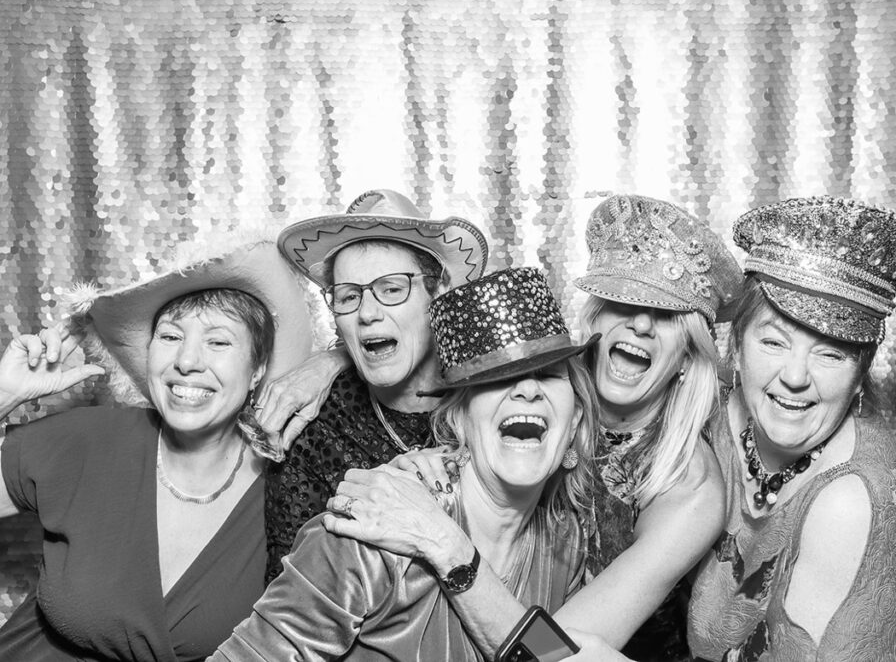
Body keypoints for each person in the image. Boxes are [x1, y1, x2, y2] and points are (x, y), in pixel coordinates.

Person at [324, 194, 744, 659]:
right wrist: (333, 362)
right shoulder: (537, 390)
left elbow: (548, 654)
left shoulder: (691, 491)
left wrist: (446, 545)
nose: (642, 324)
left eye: (667, 315)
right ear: (594, 320)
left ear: (688, 354)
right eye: (626, 301)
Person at [211, 267, 598, 660]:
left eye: (549, 374)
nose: (529, 390)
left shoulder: (565, 542)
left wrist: (448, 547)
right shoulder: (375, 521)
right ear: (459, 419)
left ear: (574, 426)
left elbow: (555, 659)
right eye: (498, 378)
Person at [685, 196, 896, 660]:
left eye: (831, 353)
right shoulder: (711, 418)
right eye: (773, 341)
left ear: (858, 376)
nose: (794, 376)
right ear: (738, 348)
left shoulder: (849, 505)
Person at [0, 238, 316, 661]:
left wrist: (334, 362)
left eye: (218, 342)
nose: (187, 361)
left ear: (257, 369)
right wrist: (1, 396)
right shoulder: (85, 442)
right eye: (170, 336)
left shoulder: (292, 489)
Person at [262, 188, 488, 581]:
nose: (367, 313)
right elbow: (291, 590)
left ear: (439, 293)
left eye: (392, 289)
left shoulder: (495, 400)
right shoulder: (315, 429)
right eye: (348, 296)